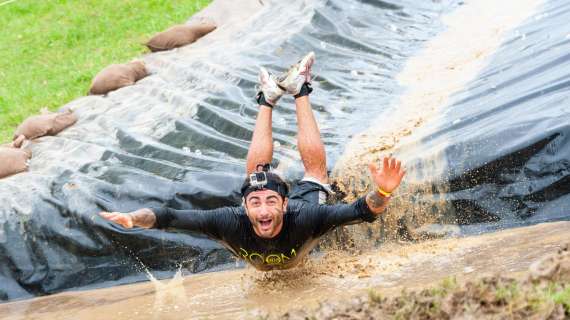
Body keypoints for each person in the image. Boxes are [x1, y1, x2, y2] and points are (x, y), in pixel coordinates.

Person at [100, 52, 406, 271]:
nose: (262, 210)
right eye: (255, 203)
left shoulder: (307, 217)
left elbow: (364, 211)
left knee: (316, 175)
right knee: (255, 177)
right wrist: (135, 219)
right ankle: (273, 95)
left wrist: (384, 191)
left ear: (284, 205)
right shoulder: (228, 221)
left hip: (303, 211)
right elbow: (167, 217)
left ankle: (298, 91)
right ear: (244, 207)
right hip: (266, 212)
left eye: (271, 202)